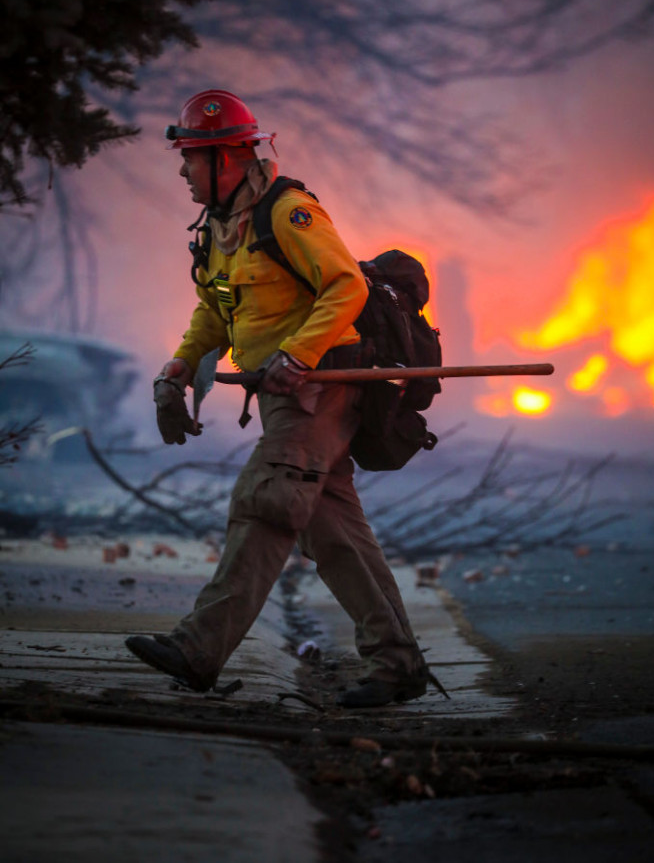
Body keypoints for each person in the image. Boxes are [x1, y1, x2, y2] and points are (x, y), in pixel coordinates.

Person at [125, 89, 434, 708]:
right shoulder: (218, 229)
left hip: (323, 386)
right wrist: (178, 370)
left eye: (190, 158)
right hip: (283, 394)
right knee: (331, 527)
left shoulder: (289, 213)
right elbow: (215, 312)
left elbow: (344, 285)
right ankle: (397, 663)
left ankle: (199, 648)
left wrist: (298, 356)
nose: (183, 172)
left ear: (228, 157)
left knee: (268, 500)